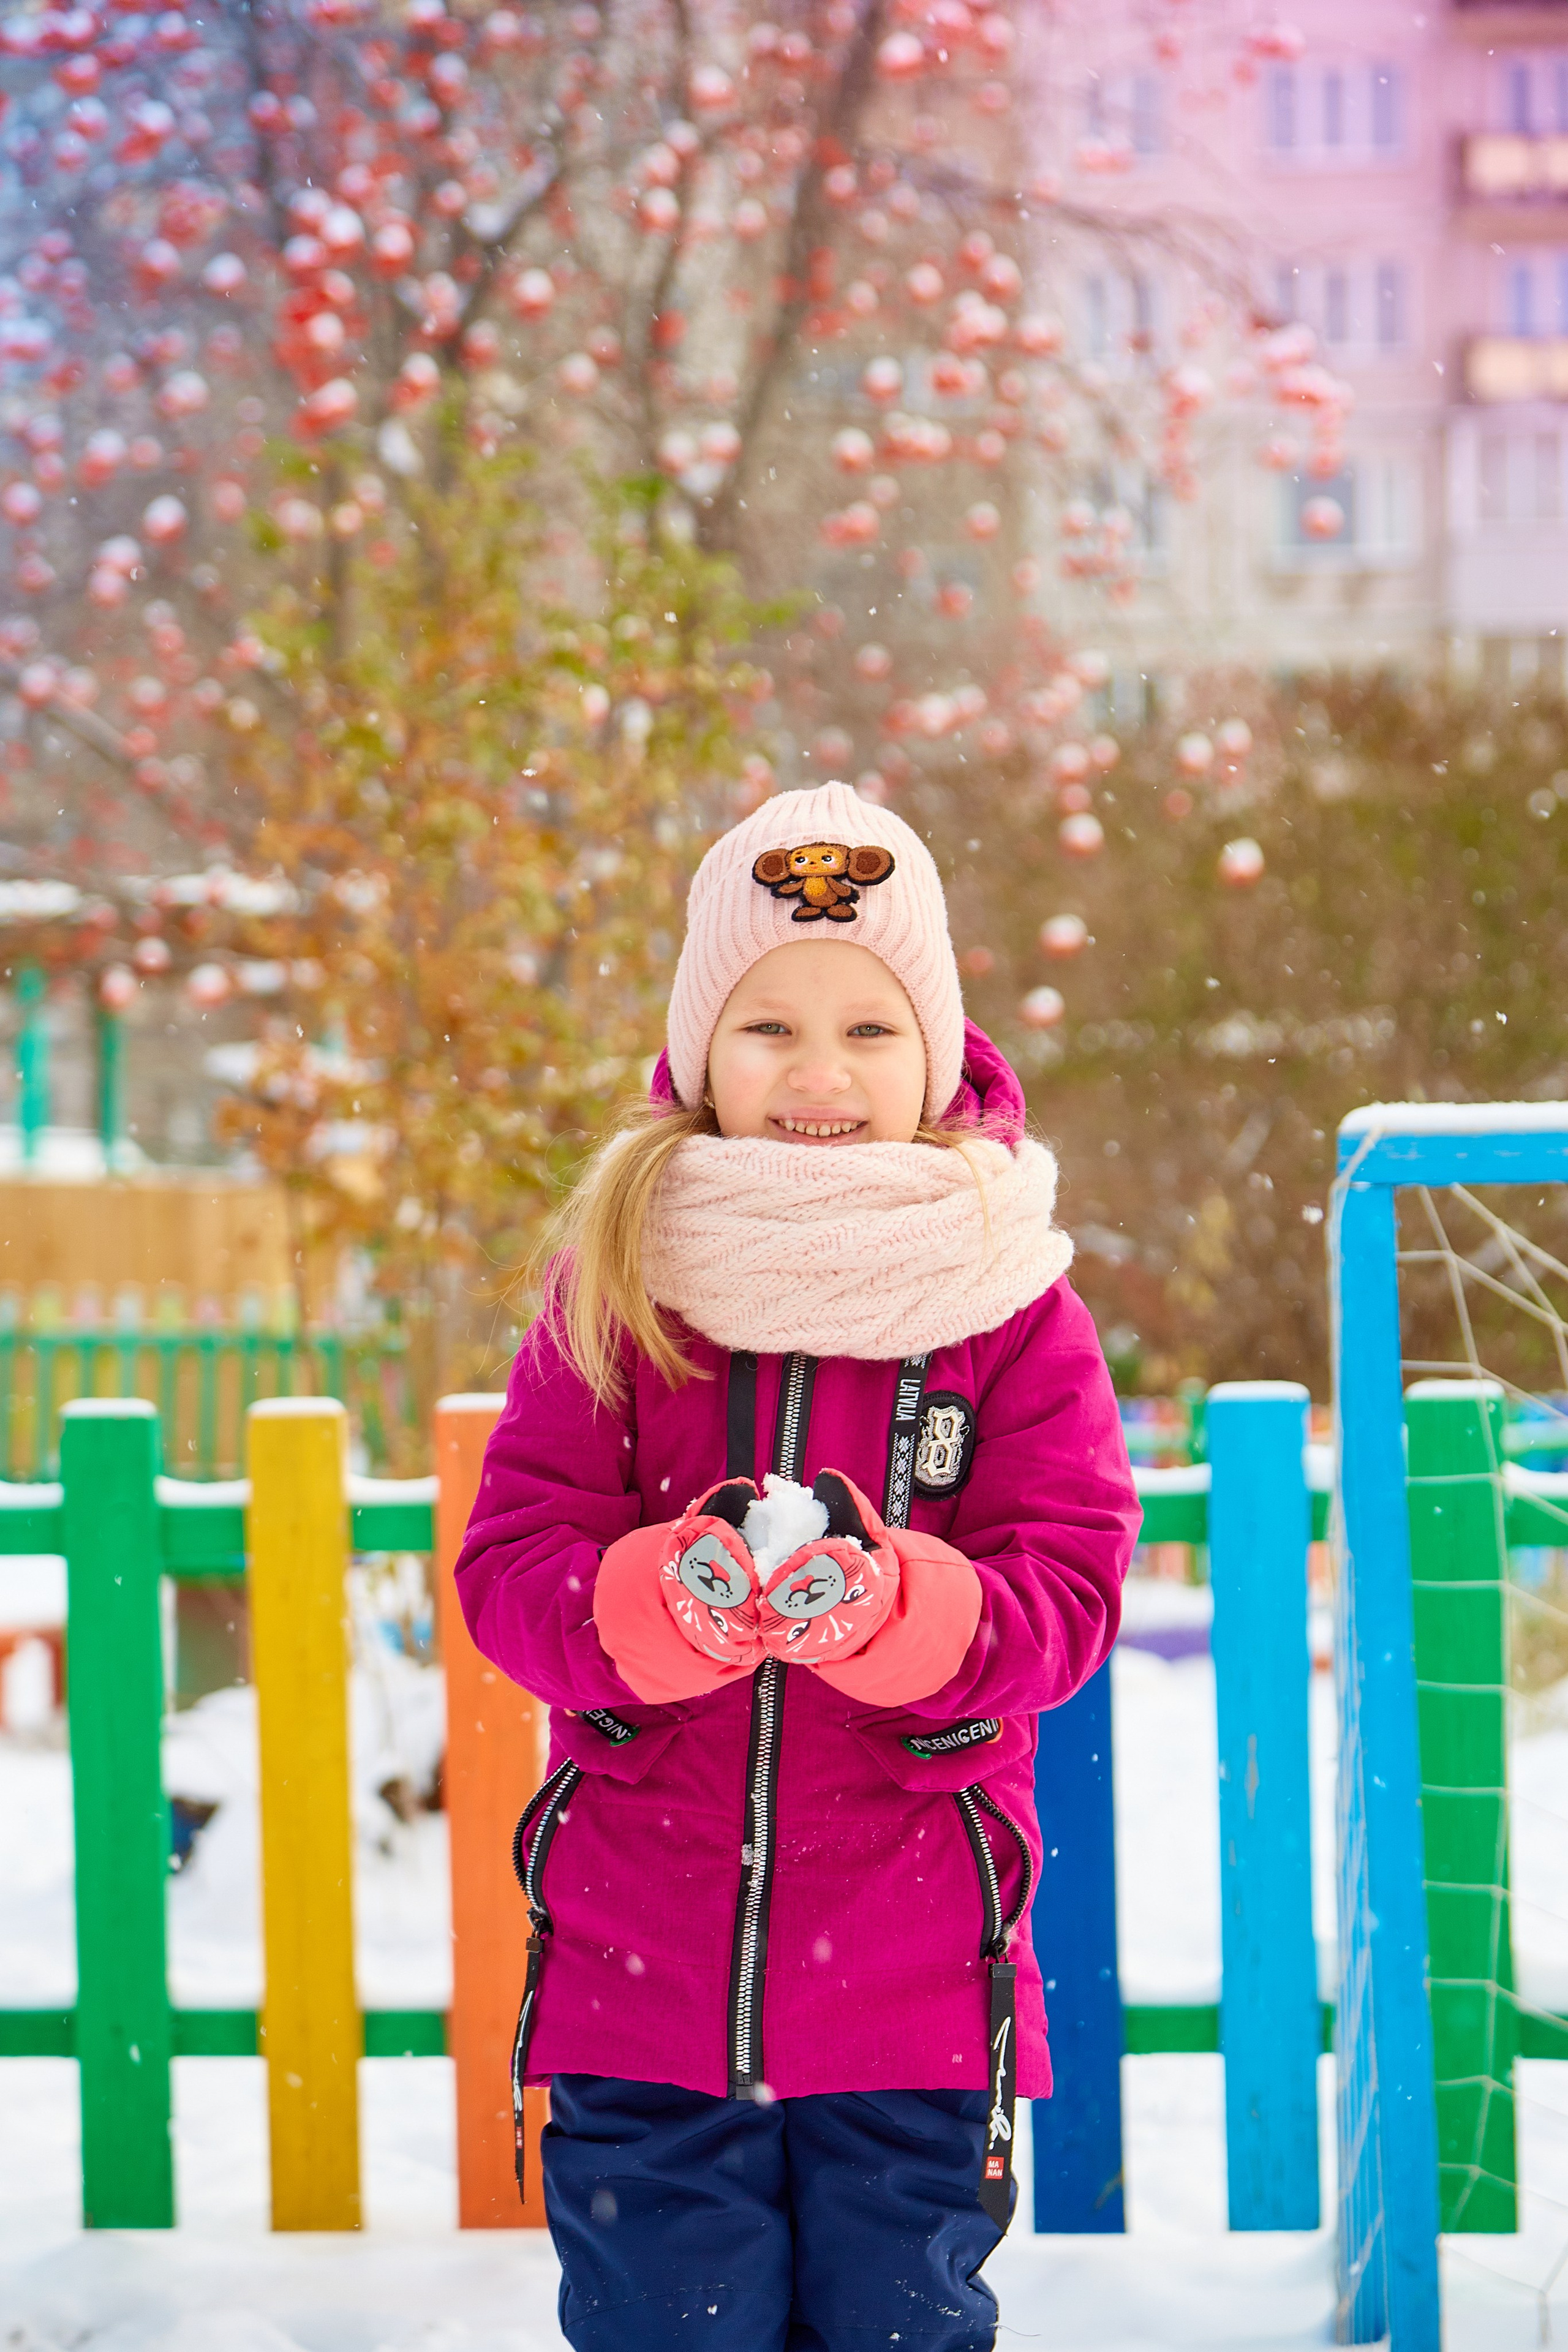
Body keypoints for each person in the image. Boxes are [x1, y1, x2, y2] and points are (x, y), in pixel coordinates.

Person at [455, 778, 1139, 2352]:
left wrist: (910, 1613)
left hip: (912, 1989)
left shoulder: (1007, 1302)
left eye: (868, 1030)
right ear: (700, 1050)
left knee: (898, 2327)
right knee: (665, 2326)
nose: (818, 1074)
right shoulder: (626, 1281)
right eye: (767, 1029)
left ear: (940, 1050)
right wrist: (641, 1608)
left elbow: (1068, 1592)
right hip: (643, 1982)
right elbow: (515, 1565)